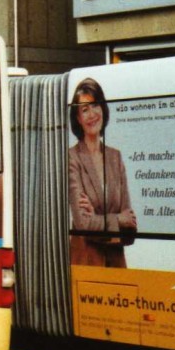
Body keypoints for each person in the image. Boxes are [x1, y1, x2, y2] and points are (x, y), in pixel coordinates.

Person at [68, 77, 136, 267]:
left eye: (95, 105)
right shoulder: (72, 158)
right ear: (78, 119)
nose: (92, 114)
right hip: (87, 264)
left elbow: (131, 229)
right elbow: (83, 225)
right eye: (84, 109)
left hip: (117, 265)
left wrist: (98, 220)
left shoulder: (116, 157)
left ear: (103, 108)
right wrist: (118, 220)